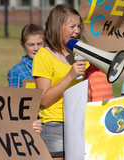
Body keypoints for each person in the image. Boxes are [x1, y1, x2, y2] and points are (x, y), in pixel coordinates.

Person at [32, 4, 89, 160]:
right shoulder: (43, 56)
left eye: (79, 26)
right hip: (55, 124)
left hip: (79, 122)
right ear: (57, 27)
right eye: (72, 26)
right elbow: (44, 100)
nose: (77, 31)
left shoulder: (80, 53)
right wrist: (70, 75)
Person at [7, 23, 45, 87]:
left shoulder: (52, 65)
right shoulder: (16, 72)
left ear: (45, 43)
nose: (36, 48)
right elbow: (15, 96)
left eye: (39, 44)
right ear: (23, 45)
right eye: (31, 45)